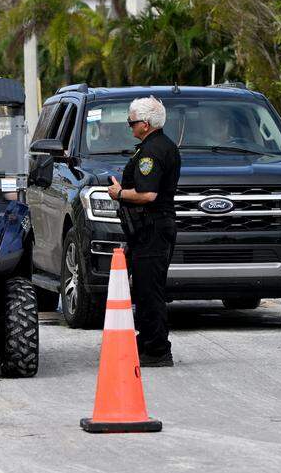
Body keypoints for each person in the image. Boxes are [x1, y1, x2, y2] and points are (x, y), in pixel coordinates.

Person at [107, 96, 181, 367]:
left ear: (146, 124)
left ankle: (157, 349)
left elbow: (148, 194)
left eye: (132, 122)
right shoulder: (159, 146)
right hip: (150, 229)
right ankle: (148, 341)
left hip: (151, 228)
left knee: (150, 292)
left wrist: (119, 193)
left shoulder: (151, 152)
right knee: (146, 288)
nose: (129, 127)